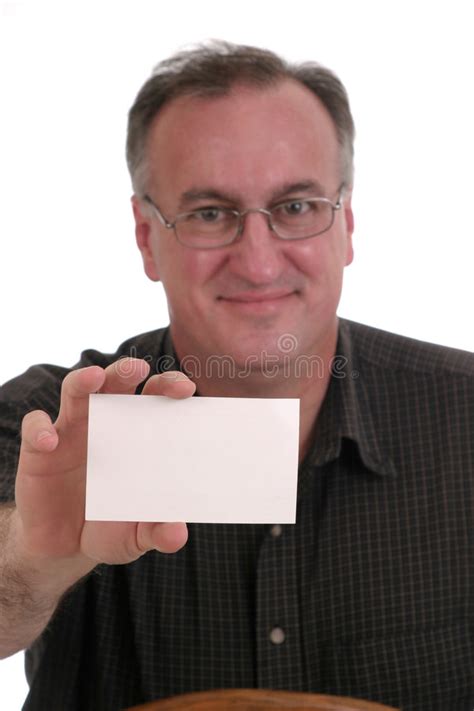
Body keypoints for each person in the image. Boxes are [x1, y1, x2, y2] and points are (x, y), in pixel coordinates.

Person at [0, 41, 473, 711]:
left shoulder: (467, 415)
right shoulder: (51, 427)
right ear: (146, 237)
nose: (257, 263)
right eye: (210, 214)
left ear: (348, 223)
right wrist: (31, 559)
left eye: (298, 206)